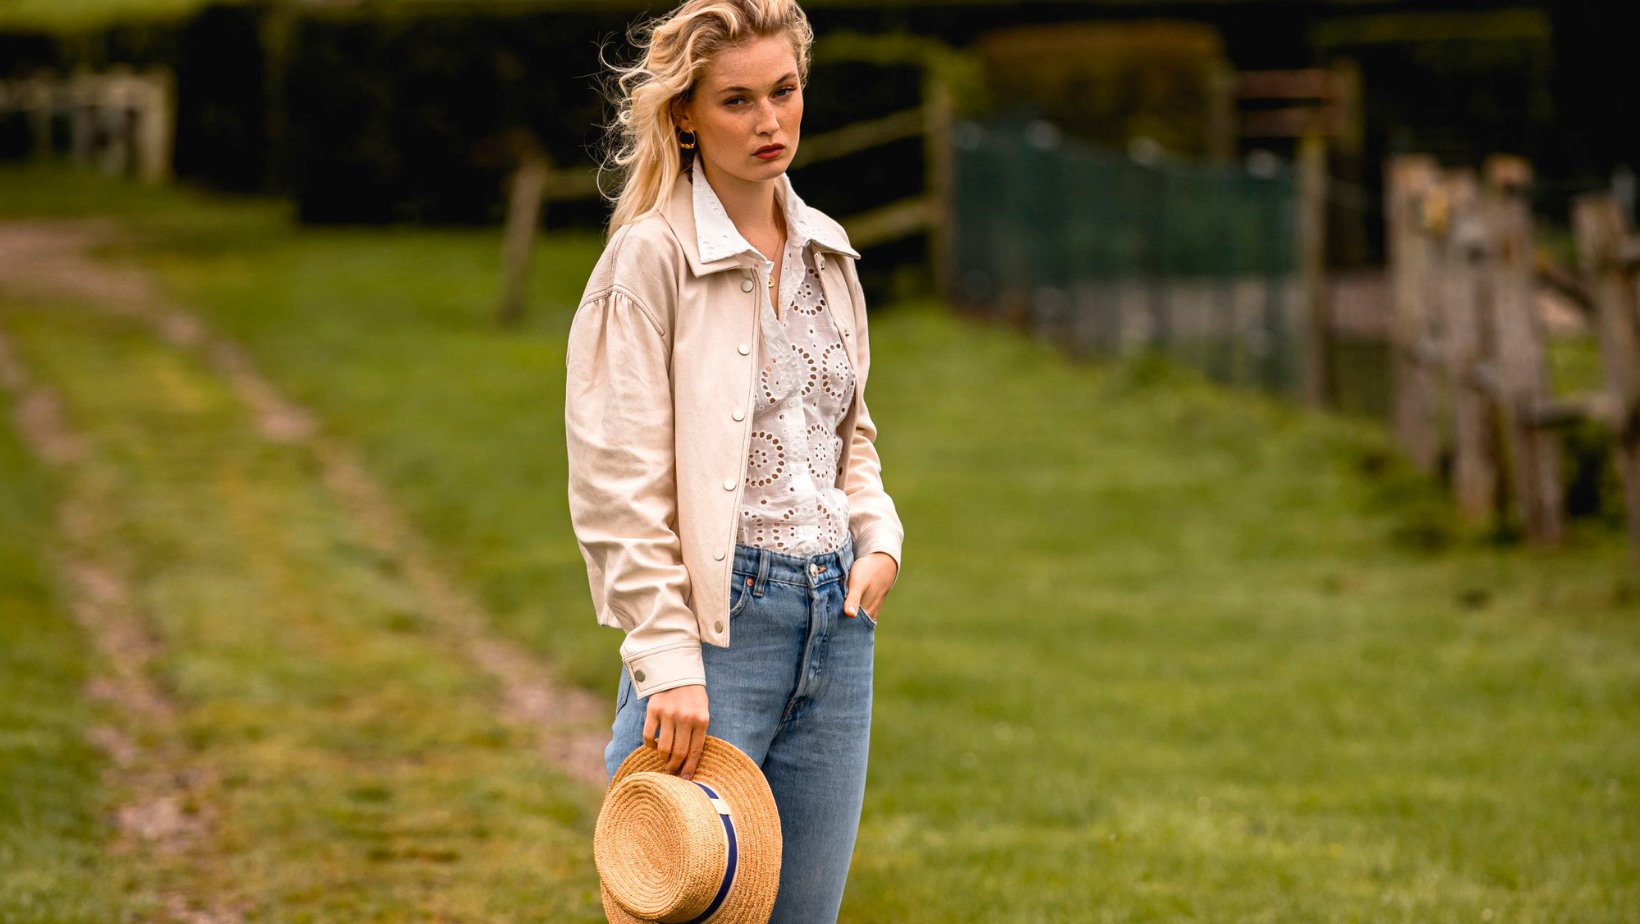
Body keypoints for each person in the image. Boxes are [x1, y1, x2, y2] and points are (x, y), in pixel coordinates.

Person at [564, 0, 904, 920]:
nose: (768, 121)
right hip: (720, 635)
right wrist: (666, 655)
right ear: (685, 115)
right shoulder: (649, 260)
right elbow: (616, 486)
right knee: (680, 906)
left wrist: (878, 537)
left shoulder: (829, 251)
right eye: (737, 101)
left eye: (784, 91)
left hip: (840, 628)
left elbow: (846, 434)